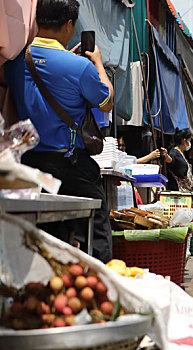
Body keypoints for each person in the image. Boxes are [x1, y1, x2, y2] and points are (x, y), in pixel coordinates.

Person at [4, 0, 114, 262]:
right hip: (71, 165)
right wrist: (97, 63)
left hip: (31, 166)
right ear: (69, 24)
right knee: (96, 232)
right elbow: (106, 101)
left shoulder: (14, 62)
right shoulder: (80, 67)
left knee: (43, 238)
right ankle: (105, 292)